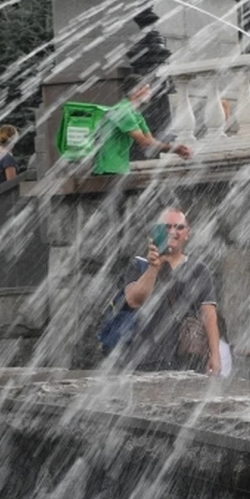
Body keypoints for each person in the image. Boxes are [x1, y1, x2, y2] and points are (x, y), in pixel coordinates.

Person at [121, 208, 221, 374]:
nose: (173, 232)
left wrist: (215, 355)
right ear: (156, 232)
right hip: (146, 359)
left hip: (189, 360)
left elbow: (209, 315)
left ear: (187, 234)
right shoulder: (139, 266)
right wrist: (154, 267)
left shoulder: (199, 270)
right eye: (167, 227)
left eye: (179, 227)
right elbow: (134, 300)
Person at [93, 77, 192, 175]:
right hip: (108, 168)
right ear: (136, 91)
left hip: (118, 167)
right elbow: (144, 142)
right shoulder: (123, 112)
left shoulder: (135, 114)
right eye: (147, 88)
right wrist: (175, 149)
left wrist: (175, 149)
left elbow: (150, 141)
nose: (150, 92)